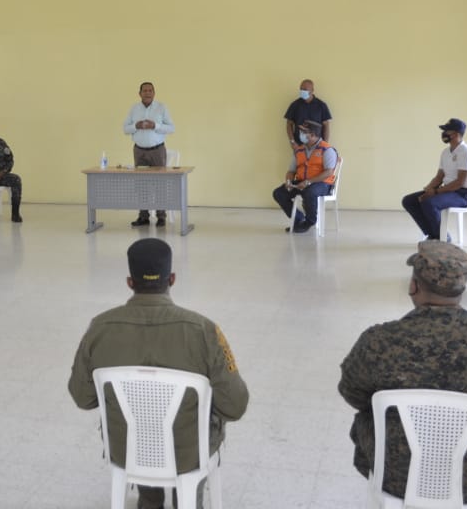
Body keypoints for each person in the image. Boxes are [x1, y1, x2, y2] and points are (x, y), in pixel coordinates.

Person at [338, 241, 467, 502]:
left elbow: (353, 393)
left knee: (366, 416)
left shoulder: (379, 341)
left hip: (396, 476)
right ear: (462, 287)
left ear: (414, 286)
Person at [68, 238, 249, 509]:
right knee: (190, 428)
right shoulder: (204, 330)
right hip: (189, 450)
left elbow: (82, 397)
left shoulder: (99, 328)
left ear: (130, 282)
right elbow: (235, 406)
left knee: (141, 421)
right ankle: (186, 500)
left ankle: (150, 499)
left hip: (127, 448)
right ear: (172, 278)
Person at [401, 118, 467, 242]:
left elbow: (460, 182)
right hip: (446, 190)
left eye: (447, 131)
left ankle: (442, 237)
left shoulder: (466, 152)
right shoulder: (445, 152)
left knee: (429, 203)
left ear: (457, 134)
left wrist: (436, 192)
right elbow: (439, 177)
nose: (444, 134)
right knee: (409, 201)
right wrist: (428, 189)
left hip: (461, 194)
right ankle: (432, 234)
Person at [122, 81, 175, 227]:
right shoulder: (134, 109)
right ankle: (143, 217)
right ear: (139, 93)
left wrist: (155, 126)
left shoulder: (161, 107)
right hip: (140, 152)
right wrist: (136, 126)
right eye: (144, 90)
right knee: (141, 185)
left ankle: (161, 217)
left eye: (150, 90)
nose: (147, 93)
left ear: (154, 93)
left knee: (160, 185)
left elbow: (171, 128)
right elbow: (125, 129)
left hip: (157, 151)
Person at [272, 119, 338, 233]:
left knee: (310, 192)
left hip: (322, 184)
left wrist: (308, 182)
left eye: (303, 132)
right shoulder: (299, 150)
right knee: (279, 193)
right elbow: (291, 170)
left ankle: (309, 222)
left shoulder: (327, 149)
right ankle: (298, 219)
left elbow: (329, 172)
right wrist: (289, 181)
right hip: (302, 182)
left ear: (312, 135)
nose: (300, 134)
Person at [284, 79, 332, 145]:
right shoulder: (295, 105)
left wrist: (325, 144)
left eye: (305, 89)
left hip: (317, 146)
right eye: (301, 89)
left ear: (312, 90)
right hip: (299, 146)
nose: (302, 91)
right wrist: (293, 142)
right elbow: (289, 124)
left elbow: (326, 125)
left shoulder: (321, 105)